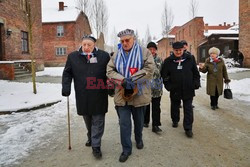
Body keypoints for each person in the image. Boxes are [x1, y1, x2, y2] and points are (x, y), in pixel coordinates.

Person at [107, 28, 154, 162]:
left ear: (134, 39)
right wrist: (123, 80)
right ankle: (126, 149)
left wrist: (132, 80)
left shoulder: (144, 52)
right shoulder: (116, 54)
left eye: (127, 40)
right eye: (122, 41)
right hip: (122, 95)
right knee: (124, 123)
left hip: (139, 94)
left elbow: (150, 69)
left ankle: (138, 138)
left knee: (139, 122)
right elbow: (109, 71)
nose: (125, 43)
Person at [62, 35, 110, 159]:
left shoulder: (104, 56)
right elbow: (67, 73)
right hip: (83, 94)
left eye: (89, 45)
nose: (86, 47)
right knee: (88, 119)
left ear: (94, 45)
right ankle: (91, 136)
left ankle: (96, 146)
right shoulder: (73, 57)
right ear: (81, 44)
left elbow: (110, 73)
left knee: (98, 120)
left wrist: (111, 88)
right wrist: (66, 87)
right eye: (84, 45)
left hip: (99, 94)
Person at [161, 41, 200, 138]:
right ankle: (175, 120)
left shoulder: (190, 59)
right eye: (176, 50)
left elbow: (196, 73)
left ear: (183, 49)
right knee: (175, 106)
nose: (178, 52)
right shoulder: (168, 61)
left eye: (180, 50)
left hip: (188, 88)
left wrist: (196, 83)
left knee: (188, 108)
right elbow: (164, 75)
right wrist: (168, 86)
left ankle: (188, 128)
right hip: (175, 88)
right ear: (173, 50)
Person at [144, 41, 163, 133]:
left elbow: (163, 72)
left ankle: (155, 125)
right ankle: (145, 121)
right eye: (150, 49)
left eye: (153, 49)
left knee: (156, 107)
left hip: (157, 88)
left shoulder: (160, 60)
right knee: (146, 105)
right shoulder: (143, 60)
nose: (152, 51)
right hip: (146, 87)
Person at [181, 40, 196, 109]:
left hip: (189, 76)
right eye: (182, 45)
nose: (184, 47)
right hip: (180, 76)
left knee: (190, 92)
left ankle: (189, 103)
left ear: (186, 46)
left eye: (185, 45)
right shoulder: (177, 55)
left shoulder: (190, 56)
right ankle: (179, 103)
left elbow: (194, 68)